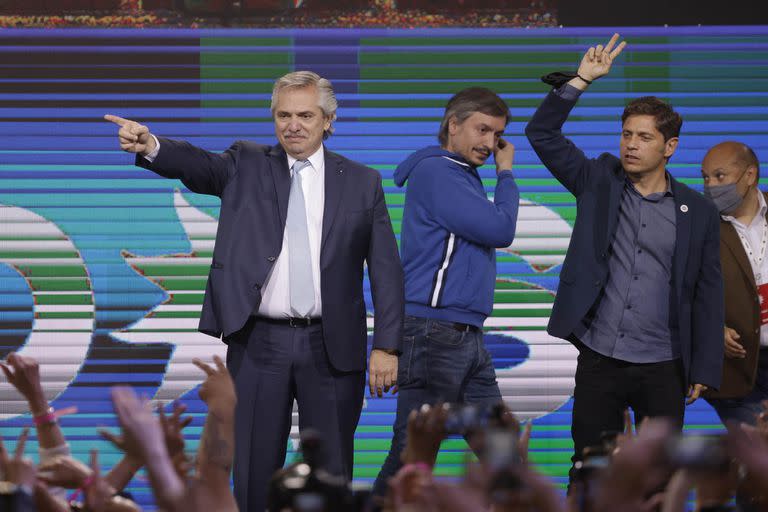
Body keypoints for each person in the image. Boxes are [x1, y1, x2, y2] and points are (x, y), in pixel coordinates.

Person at [104, 70, 405, 512]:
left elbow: (386, 270)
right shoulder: (245, 163)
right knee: (253, 468)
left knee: (332, 471)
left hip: (334, 346)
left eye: (305, 115)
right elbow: (197, 165)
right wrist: (151, 145)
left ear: (328, 120)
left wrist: (387, 346)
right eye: (283, 115)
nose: (293, 125)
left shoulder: (363, 181)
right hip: (259, 343)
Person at [525, 34, 724, 485]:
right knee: (590, 471)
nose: (631, 144)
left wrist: (705, 366)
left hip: (664, 366)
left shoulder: (699, 211)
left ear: (669, 147)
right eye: (627, 134)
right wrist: (581, 80)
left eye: (645, 137)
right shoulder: (598, 179)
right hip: (601, 358)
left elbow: (708, 290)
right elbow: (542, 134)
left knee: (658, 479)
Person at [373, 87, 519, 496]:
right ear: (453, 126)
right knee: (411, 458)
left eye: (497, 135)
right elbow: (500, 229)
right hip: (432, 333)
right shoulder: (439, 171)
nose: (490, 144)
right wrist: (505, 174)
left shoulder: (459, 174)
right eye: (482, 129)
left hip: (464, 336)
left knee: (504, 457)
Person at [701, 142, 767, 428]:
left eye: (719, 176)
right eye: (705, 177)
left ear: (750, 175)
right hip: (737, 376)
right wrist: (711, 328)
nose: (711, 185)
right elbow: (680, 293)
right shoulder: (698, 227)